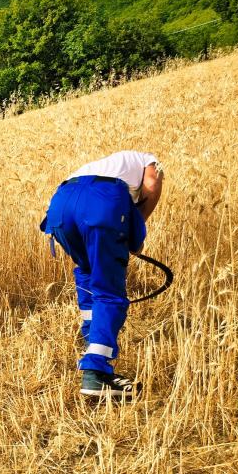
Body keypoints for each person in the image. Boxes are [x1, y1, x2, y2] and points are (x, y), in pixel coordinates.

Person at [40, 150, 163, 398]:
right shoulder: (150, 162)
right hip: (100, 202)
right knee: (108, 290)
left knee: (87, 274)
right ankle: (96, 373)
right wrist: (136, 228)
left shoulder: (109, 164)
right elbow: (152, 183)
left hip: (61, 203)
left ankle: (92, 341)